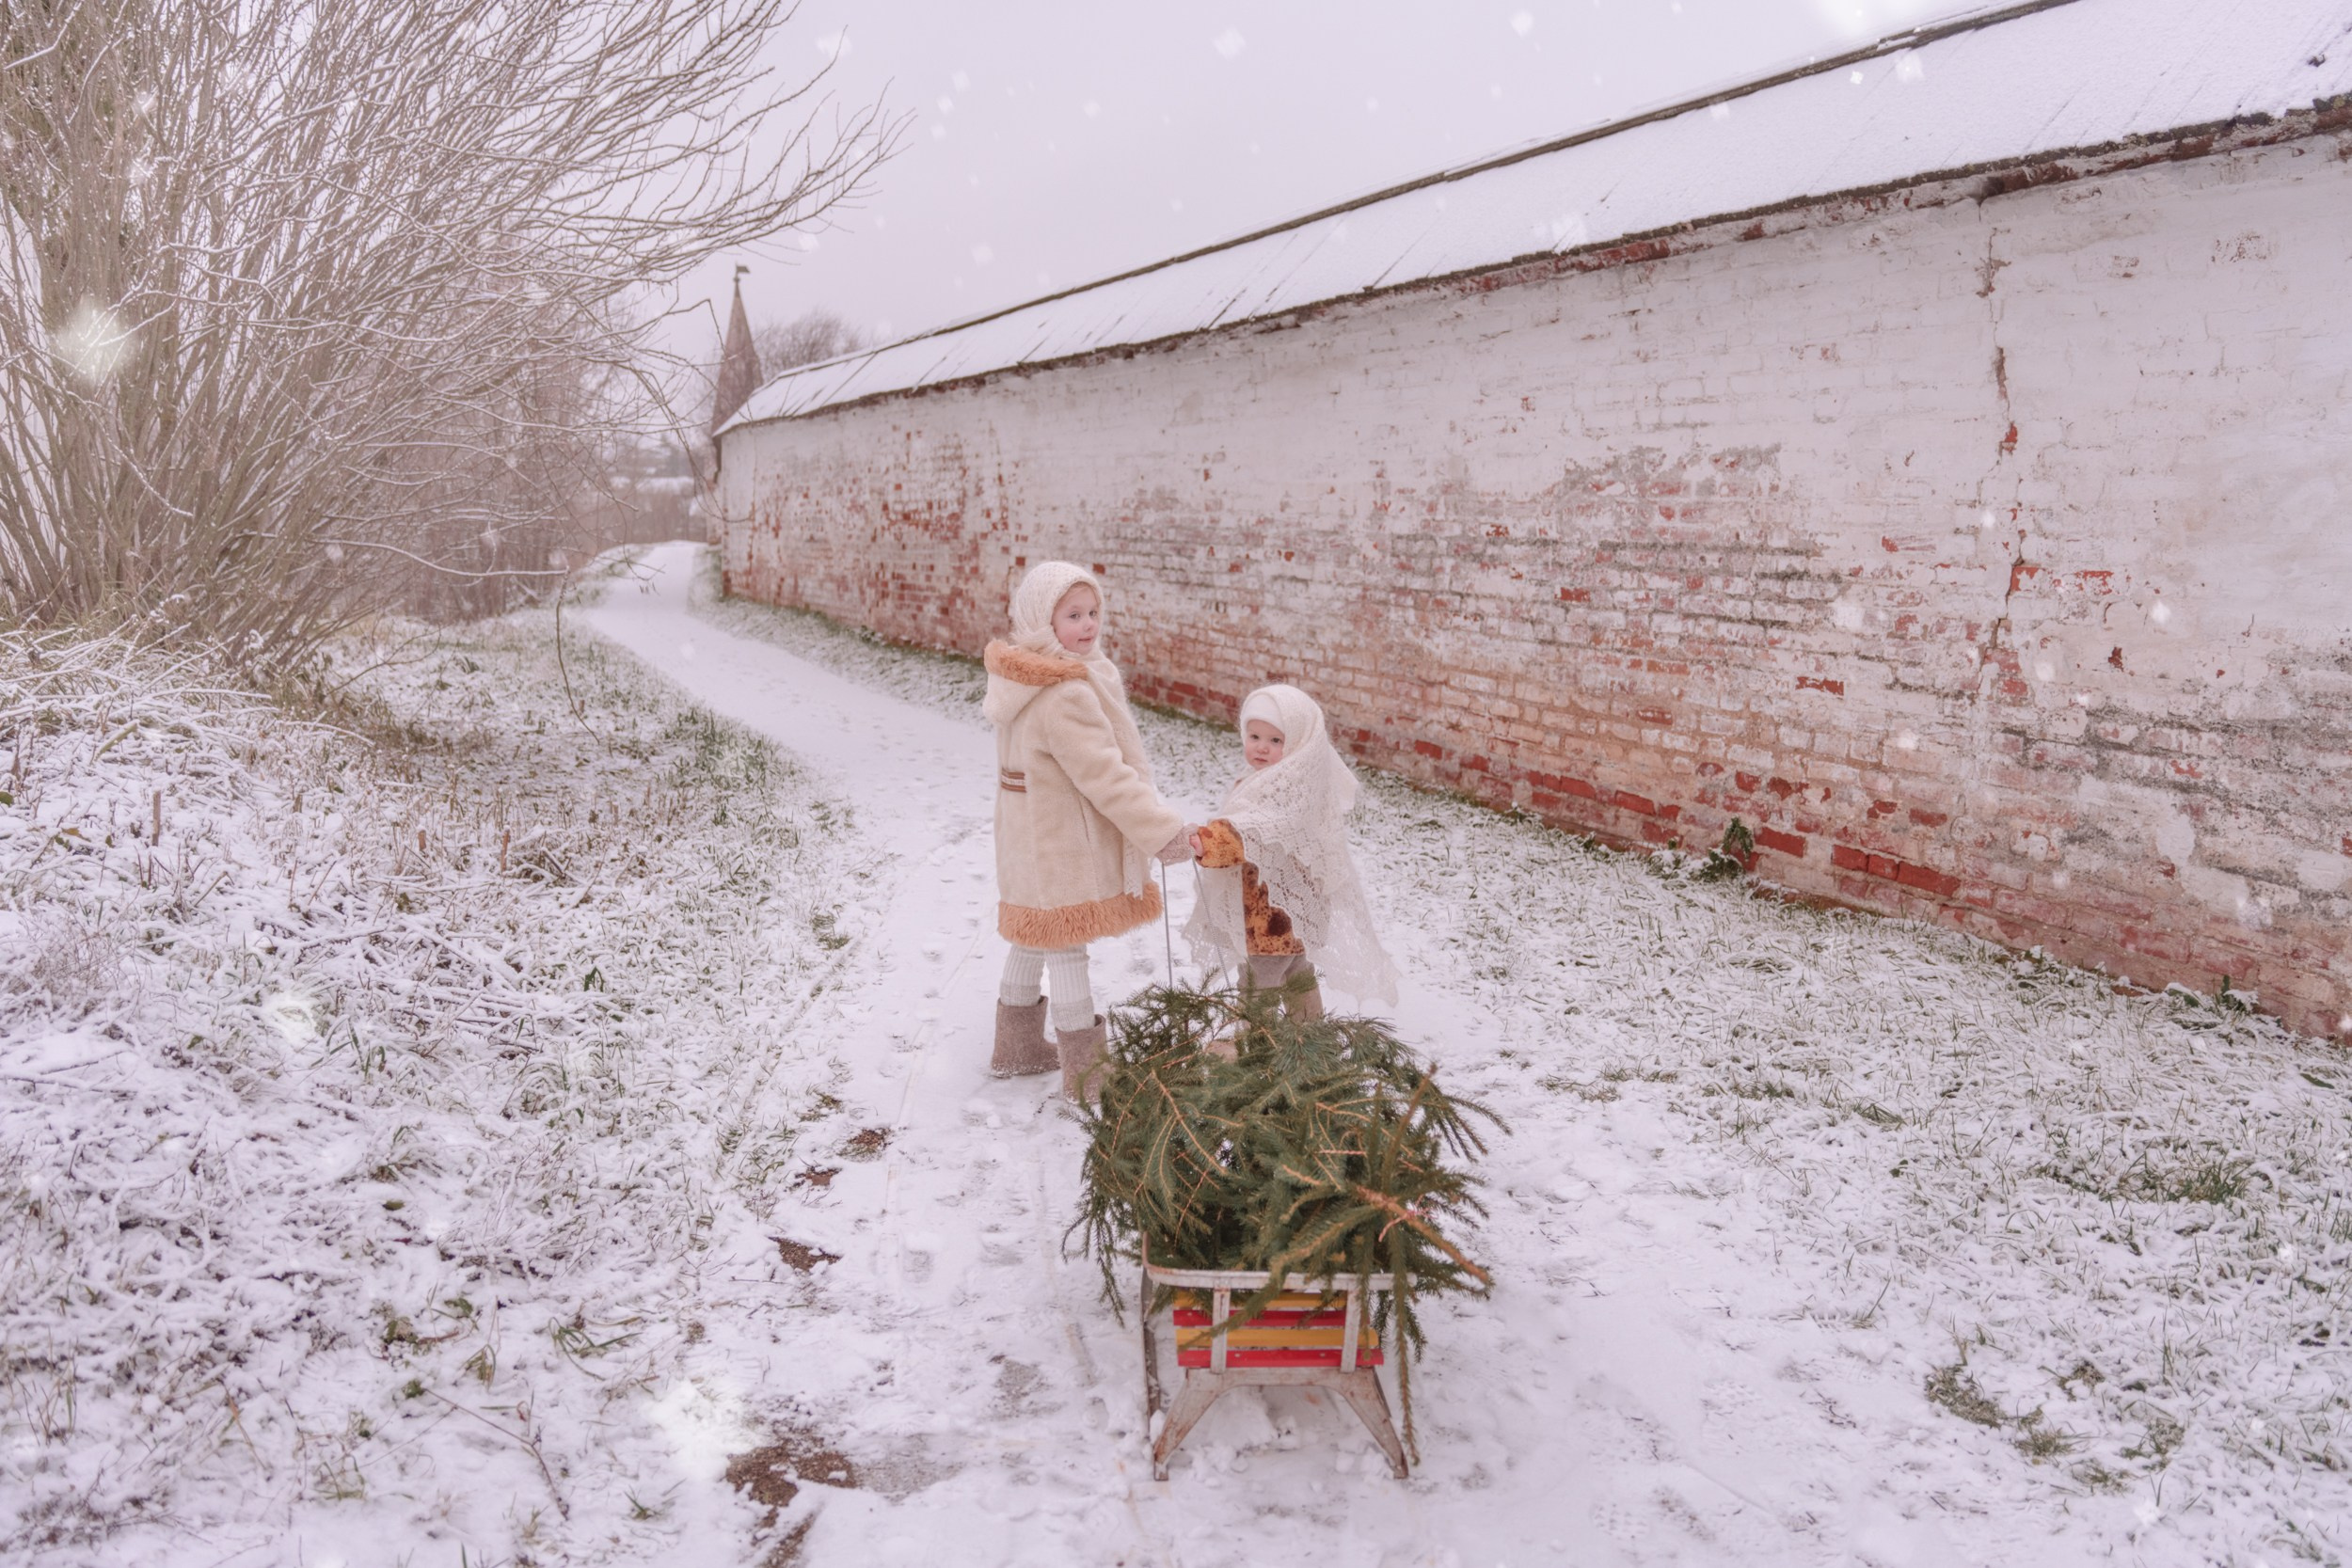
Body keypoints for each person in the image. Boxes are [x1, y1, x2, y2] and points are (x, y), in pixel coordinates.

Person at [984, 562, 1189, 1099]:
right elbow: (1106, 777)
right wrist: (1160, 832)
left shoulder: (1020, 674)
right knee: (1066, 942)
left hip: (1026, 837)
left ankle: (1017, 1046)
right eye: (1073, 615)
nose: (1089, 624)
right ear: (1041, 620)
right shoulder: (1065, 693)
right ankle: (1087, 1074)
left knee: (1034, 932)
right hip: (1059, 844)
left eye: (1093, 612)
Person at [1184, 684, 1399, 1018]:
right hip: (1295, 918)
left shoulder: (1287, 790)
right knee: (1298, 977)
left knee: (1258, 990)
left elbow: (1250, 834)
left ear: (1299, 743)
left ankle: (1259, 1051)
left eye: (1275, 741)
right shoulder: (1278, 781)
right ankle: (1309, 1040)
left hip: (1269, 920)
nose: (1261, 748)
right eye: (1254, 736)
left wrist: (1208, 844)